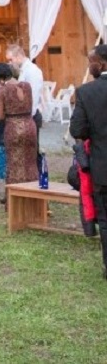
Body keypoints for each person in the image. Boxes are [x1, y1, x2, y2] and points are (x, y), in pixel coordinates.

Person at [69, 45, 107, 279]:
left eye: (91, 61)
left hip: (103, 164)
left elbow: (77, 129)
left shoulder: (87, 92)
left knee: (105, 219)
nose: (89, 66)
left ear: (100, 65)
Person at [0, 62, 38, 187]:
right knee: (30, 163)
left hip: (13, 127)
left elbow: (0, 116)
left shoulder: (2, 90)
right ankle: (33, 193)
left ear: (1, 79)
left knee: (13, 164)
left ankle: (15, 198)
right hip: (29, 125)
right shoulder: (27, 86)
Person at [6, 44, 44, 150]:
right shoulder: (23, 70)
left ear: (18, 56)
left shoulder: (32, 71)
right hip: (24, 116)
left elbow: (33, 96)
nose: (9, 63)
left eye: (10, 59)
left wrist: (27, 119)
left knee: (31, 153)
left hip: (30, 116)